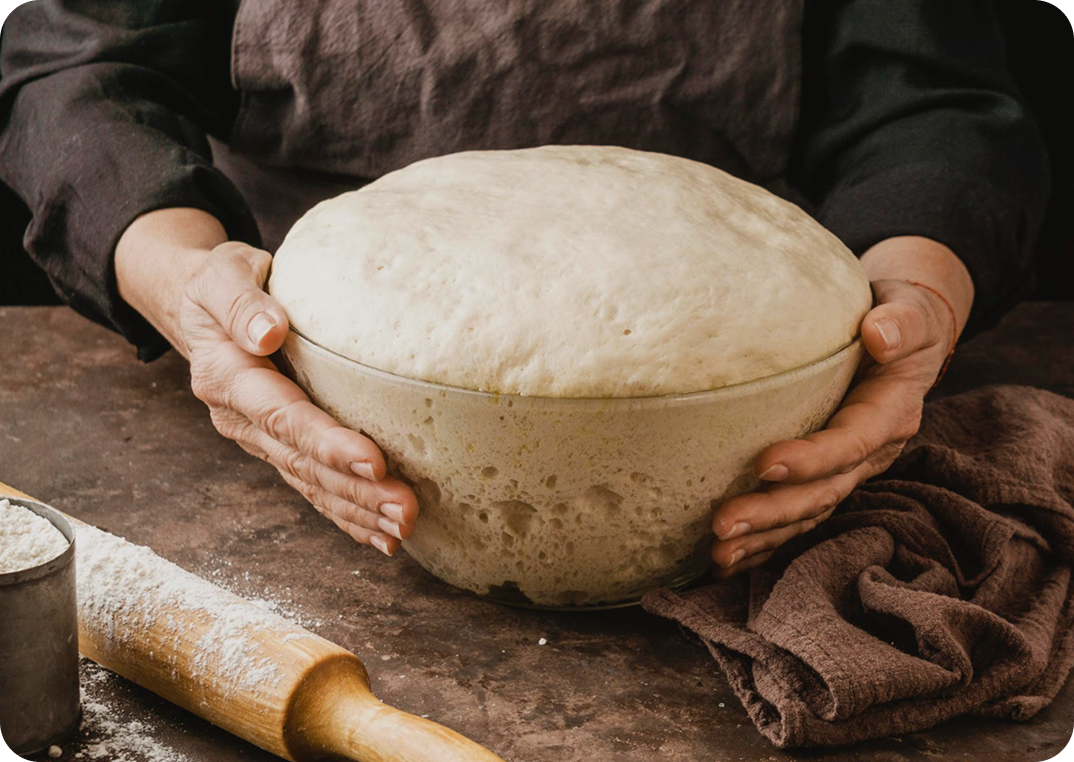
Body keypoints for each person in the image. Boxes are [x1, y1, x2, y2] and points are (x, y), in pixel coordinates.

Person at [0, 1, 1049, 570]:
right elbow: (82, 71)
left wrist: (916, 307)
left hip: (769, 371)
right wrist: (193, 290)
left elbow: (929, 97)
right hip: (304, 353)